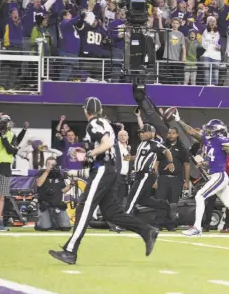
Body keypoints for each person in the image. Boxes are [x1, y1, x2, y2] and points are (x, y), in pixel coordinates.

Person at [48, 97, 159, 265]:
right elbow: (106, 142)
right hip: (109, 170)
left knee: (84, 207)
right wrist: (87, 150)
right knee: (111, 212)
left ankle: (70, 251)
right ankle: (147, 231)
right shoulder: (103, 122)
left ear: (86, 111)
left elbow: (106, 143)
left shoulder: (93, 123)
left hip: (102, 169)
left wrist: (89, 154)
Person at [125, 124, 174, 215]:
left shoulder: (154, 144)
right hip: (140, 175)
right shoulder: (142, 144)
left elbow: (167, 151)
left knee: (132, 197)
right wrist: (130, 158)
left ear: (151, 133)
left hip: (146, 174)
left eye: (143, 132)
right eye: (140, 133)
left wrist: (170, 162)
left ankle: (123, 221)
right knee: (142, 200)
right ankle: (164, 205)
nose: (141, 134)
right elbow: (139, 157)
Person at [33, 157, 72, 231]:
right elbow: (39, 184)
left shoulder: (59, 175)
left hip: (57, 204)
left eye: (53, 164)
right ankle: (39, 223)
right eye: (49, 164)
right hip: (45, 204)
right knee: (44, 227)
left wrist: (71, 185)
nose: (51, 166)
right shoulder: (42, 172)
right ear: (46, 165)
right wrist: (47, 172)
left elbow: (62, 190)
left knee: (66, 227)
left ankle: (54, 223)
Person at [0, 115, 18, 231]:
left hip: (5, 168)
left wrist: (4, 138)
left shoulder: (11, 135)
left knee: (1, 197)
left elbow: (11, 150)